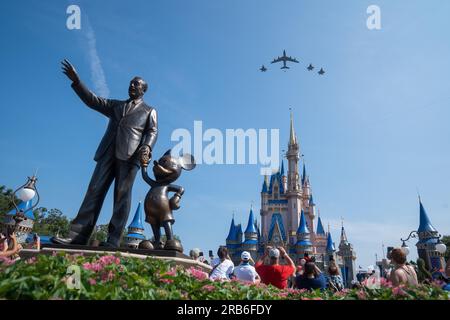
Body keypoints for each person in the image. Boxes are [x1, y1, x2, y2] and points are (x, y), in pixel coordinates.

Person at [53, 59, 158, 248]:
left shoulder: (149, 111)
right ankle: (77, 235)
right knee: (93, 191)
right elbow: (93, 100)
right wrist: (77, 82)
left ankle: (113, 240)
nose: (132, 86)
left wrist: (147, 147)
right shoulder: (116, 105)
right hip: (107, 152)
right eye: (131, 83)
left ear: (143, 90)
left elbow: (152, 131)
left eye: (136, 84)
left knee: (121, 196)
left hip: (131, 155)